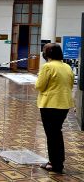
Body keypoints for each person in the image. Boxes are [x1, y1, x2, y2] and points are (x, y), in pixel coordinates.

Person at [35, 43, 74, 173]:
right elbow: (70, 84)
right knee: (57, 133)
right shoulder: (67, 67)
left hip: (50, 104)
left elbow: (39, 86)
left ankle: (56, 165)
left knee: (52, 135)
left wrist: (39, 77)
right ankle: (57, 161)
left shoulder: (47, 67)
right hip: (64, 105)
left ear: (49, 53)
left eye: (45, 50)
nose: (43, 53)